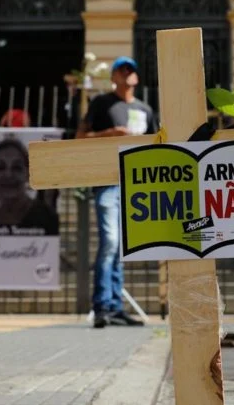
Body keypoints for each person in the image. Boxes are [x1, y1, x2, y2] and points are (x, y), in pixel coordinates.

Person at [76, 56, 157, 328]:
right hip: (108, 181)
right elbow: (79, 138)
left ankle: (114, 306)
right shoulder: (101, 104)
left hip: (136, 185)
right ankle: (101, 305)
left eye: (131, 69)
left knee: (122, 246)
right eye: (121, 70)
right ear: (113, 77)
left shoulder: (145, 110)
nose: (127, 73)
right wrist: (108, 134)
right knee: (110, 241)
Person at [0, 138, 59, 234]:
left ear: (28, 173)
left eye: (17, 167)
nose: (8, 175)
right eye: (0, 167)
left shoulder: (48, 218)